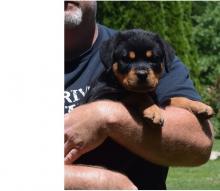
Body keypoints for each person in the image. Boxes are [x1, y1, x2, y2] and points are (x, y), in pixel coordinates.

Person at [64, 1, 214, 190]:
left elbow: (199, 143)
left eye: (152, 62)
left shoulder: (137, 45)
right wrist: (101, 181)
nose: (142, 71)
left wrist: (188, 104)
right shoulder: (107, 83)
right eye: (128, 61)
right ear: (110, 62)